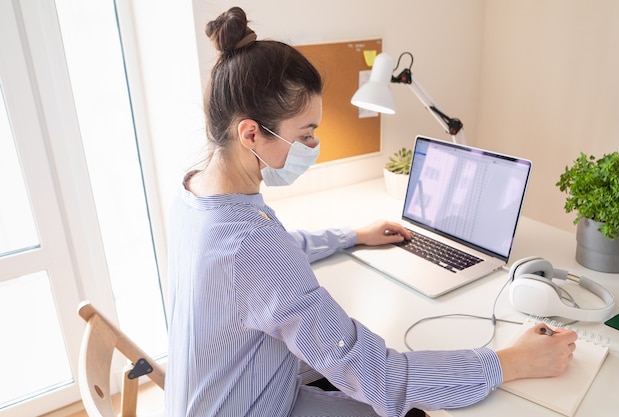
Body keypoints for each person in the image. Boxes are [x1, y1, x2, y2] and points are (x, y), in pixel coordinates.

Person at [165, 7, 577, 417]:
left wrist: (353, 236)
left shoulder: (197, 193)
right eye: (305, 134)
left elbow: (271, 259)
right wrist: (511, 362)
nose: (312, 146)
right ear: (251, 133)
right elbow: (379, 377)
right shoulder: (252, 244)